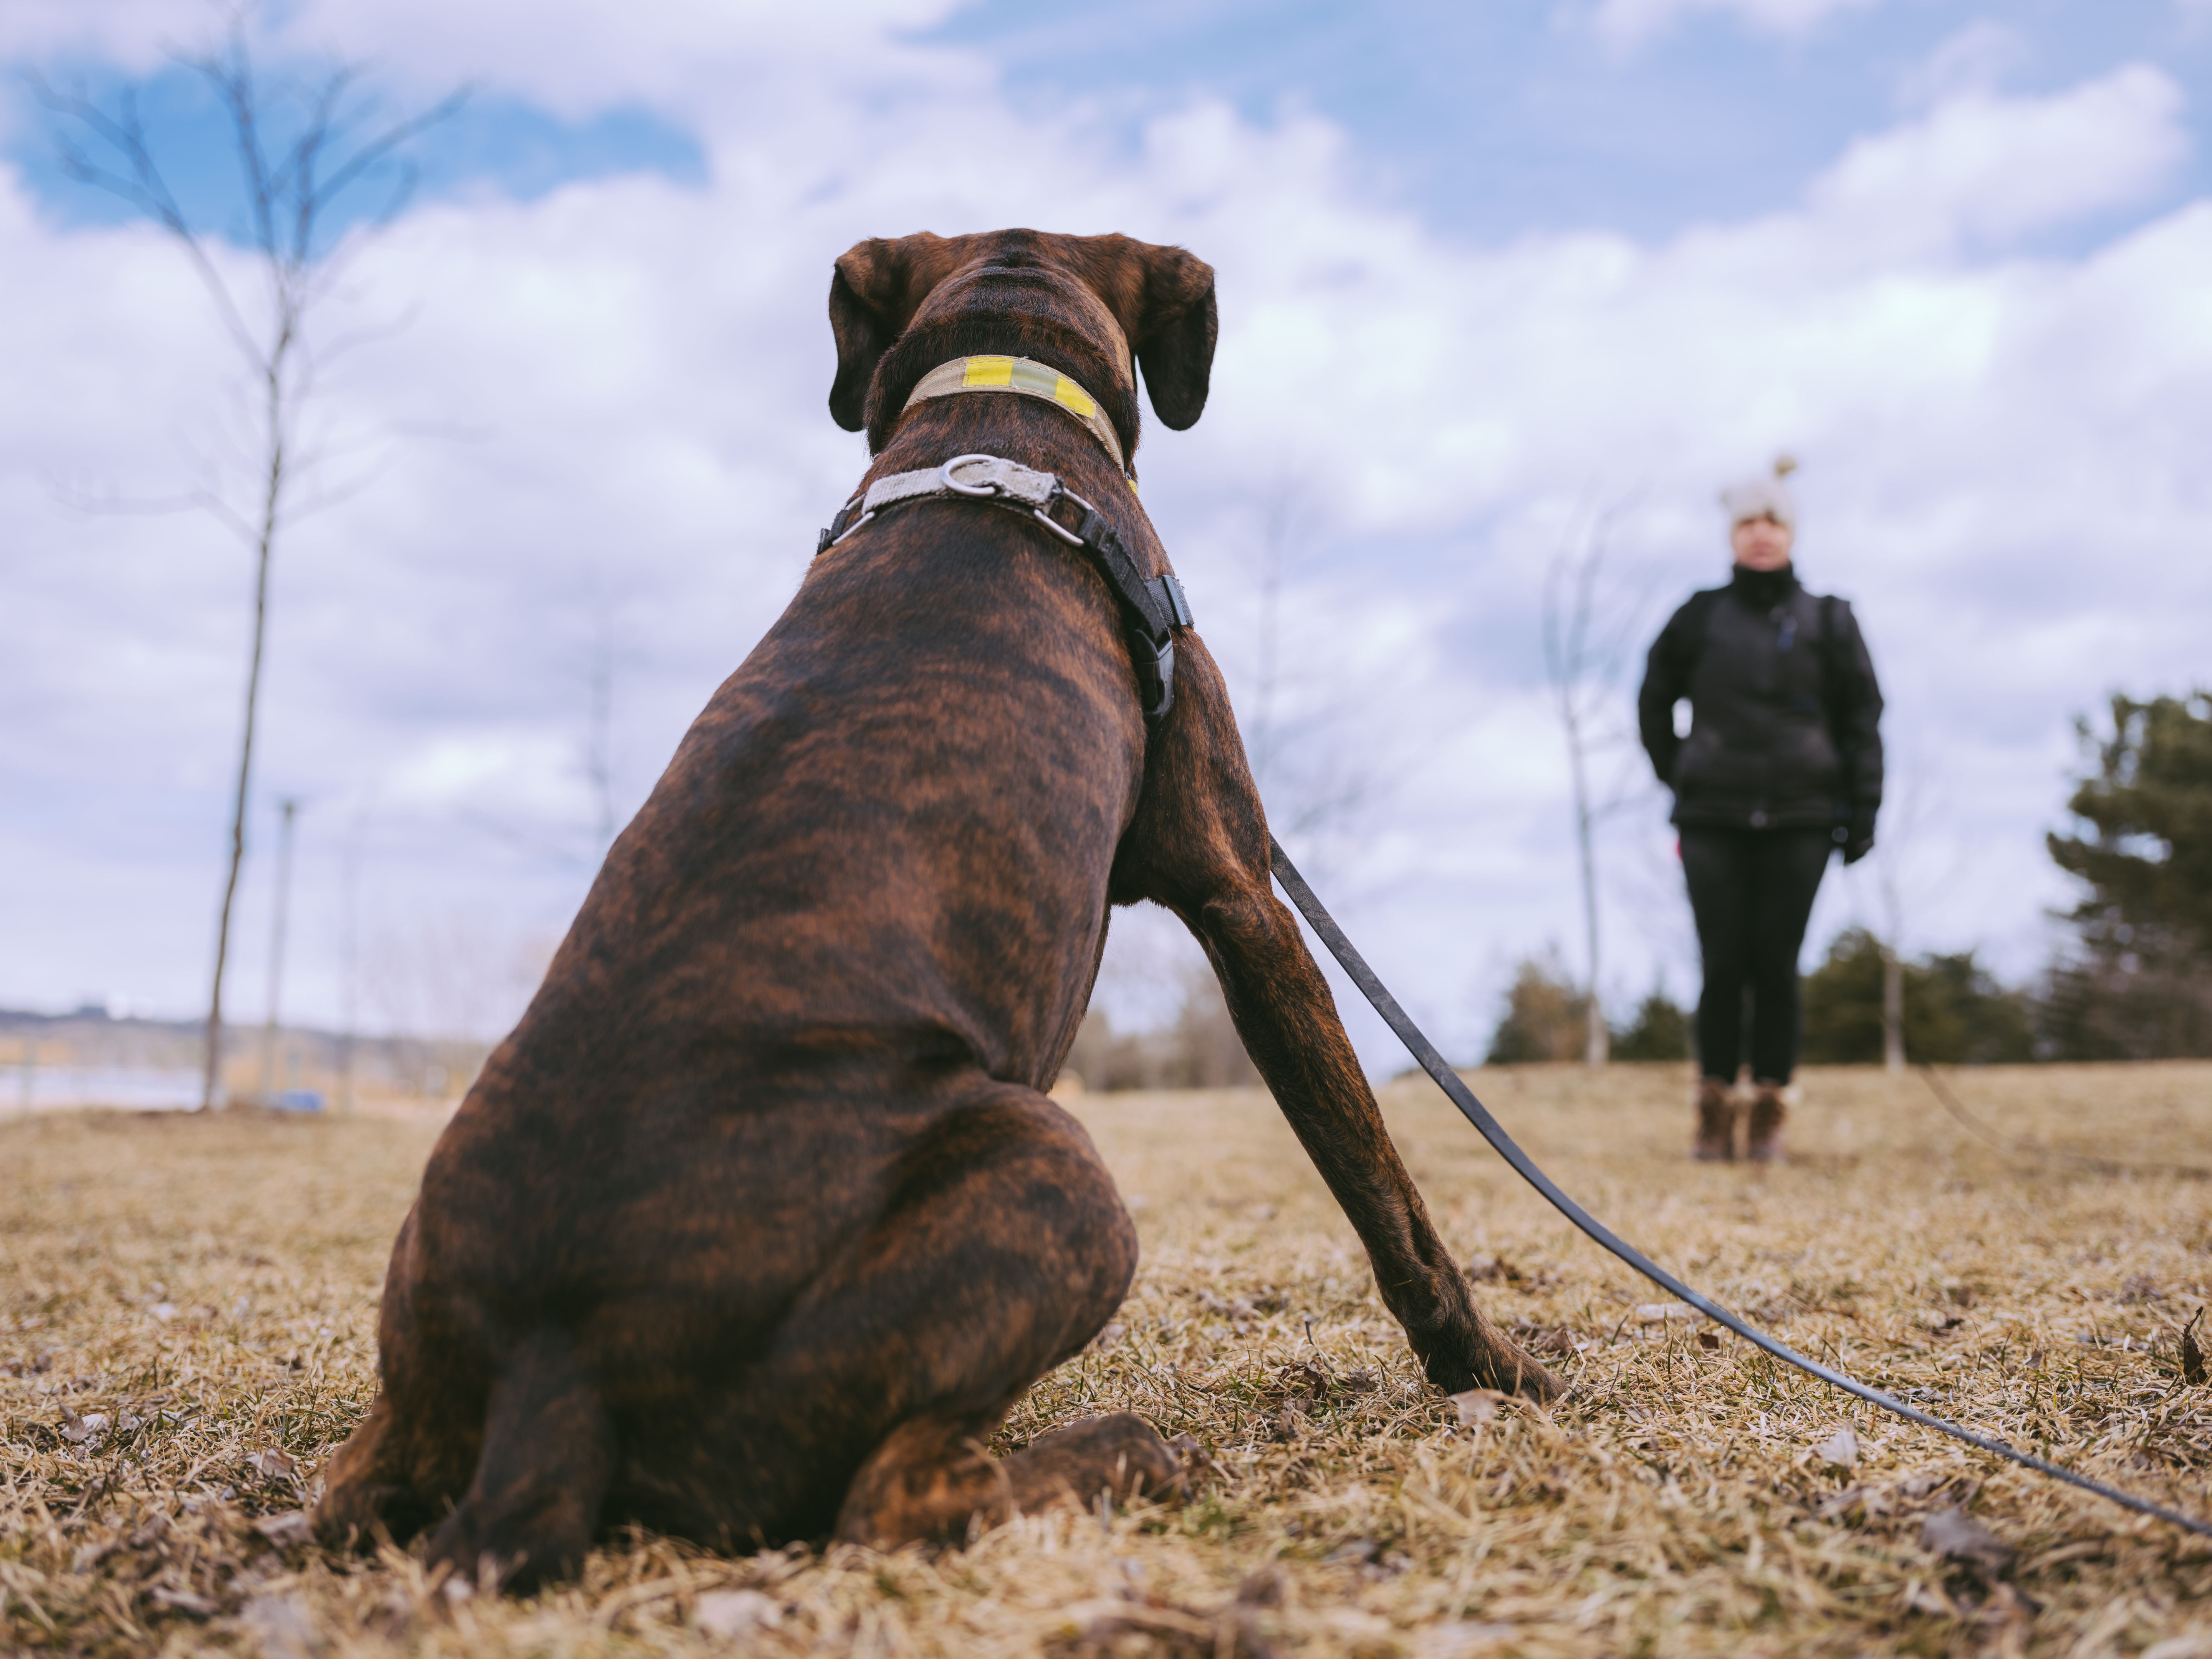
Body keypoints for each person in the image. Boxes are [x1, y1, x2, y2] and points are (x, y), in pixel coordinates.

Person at [1636, 459, 1883, 1162]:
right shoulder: (1699, 615)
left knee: (1776, 964)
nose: (1761, 533)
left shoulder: (1830, 620)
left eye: (1773, 520)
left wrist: (1862, 808)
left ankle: (1769, 1112)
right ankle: (1713, 1111)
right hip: (1711, 818)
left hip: (1803, 820)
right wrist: (1680, 772)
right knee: (1722, 964)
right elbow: (1652, 699)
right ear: (1732, 535)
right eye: (1748, 521)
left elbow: (1864, 716)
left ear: (1791, 533)